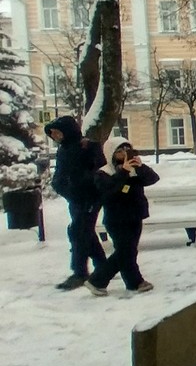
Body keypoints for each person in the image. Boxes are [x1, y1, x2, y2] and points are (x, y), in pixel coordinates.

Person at [86, 137, 159, 296]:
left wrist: (140, 167)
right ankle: (97, 279)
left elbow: (153, 179)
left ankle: (133, 282)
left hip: (135, 215)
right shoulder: (104, 172)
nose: (123, 154)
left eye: (126, 150)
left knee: (129, 251)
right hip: (116, 218)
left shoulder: (135, 169)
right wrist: (123, 172)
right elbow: (109, 191)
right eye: (119, 151)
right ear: (111, 153)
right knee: (125, 250)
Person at [44, 116, 108, 290]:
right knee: (84, 231)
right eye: (52, 134)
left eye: (57, 132)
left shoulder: (88, 147)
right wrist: (61, 187)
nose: (55, 136)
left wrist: (83, 183)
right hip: (74, 198)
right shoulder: (63, 150)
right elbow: (60, 174)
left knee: (79, 232)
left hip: (89, 197)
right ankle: (103, 265)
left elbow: (99, 170)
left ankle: (80, 272)